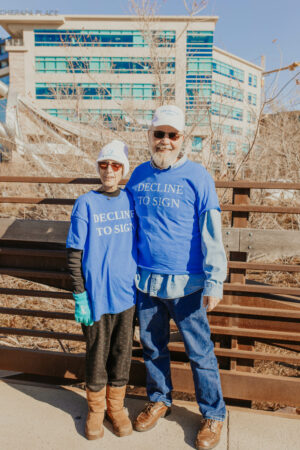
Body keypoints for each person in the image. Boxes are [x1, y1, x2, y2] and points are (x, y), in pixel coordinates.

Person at [126, 105, 227, 450]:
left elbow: (212, 233)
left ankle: (213, 414)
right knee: (153, 347)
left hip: (189, 285)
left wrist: (215, 281)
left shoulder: (198, 176)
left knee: (200, 353)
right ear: (149, 136)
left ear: (183, 139)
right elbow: (129, 228)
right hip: (147, 282)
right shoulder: (137, 175)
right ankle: (159, 399)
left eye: (173, 135)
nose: (165, 141)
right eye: (159, 134)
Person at [66, 140, 137, 440]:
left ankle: (116, 408)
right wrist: (79, 295)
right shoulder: (85, 203)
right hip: (95, 298)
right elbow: (73, 254)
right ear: (98, 168)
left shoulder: (131, 199)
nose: (109, 171)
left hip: (127, 296)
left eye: (116, 165)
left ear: (124, 170)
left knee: (122, 354)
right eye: (104, 165)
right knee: (97, 354)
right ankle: (95, 411)